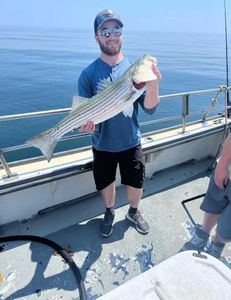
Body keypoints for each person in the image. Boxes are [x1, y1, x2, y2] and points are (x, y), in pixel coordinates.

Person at [77, 9, 162, 237]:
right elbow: (82, 114)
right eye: (106, 31)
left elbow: (151, 109)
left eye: (116, 30)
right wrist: (84, 125)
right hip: (102, 143)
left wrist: (152, 85)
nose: (112, 35)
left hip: (131, 141)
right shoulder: (88, 74)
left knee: (136, 180)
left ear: (122, 34)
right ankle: (110, 212)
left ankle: (133, 212)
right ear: (97, 36)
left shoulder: (134, 70)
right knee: (106, 182)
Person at [179, 133, 231, 259]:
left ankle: (217, 244)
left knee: (227, 229)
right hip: (228, 170)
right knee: (214, 203)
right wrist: (222, 164)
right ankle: (202, 236)